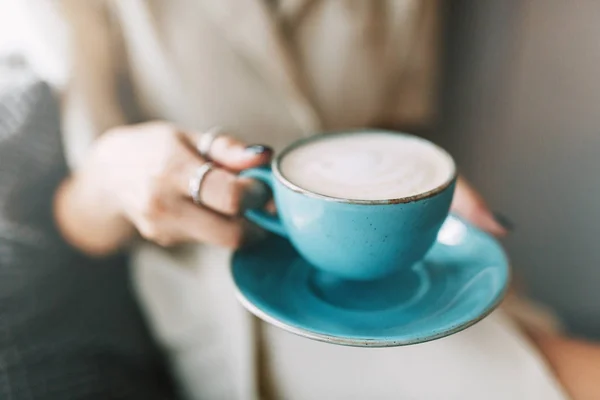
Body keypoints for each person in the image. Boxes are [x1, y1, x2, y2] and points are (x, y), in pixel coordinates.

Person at [3, 0, 600, 399]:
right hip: (228, 285)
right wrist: (118, 177)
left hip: (403, 271)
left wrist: (417, 192)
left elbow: (394, 124)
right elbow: (75, 221)